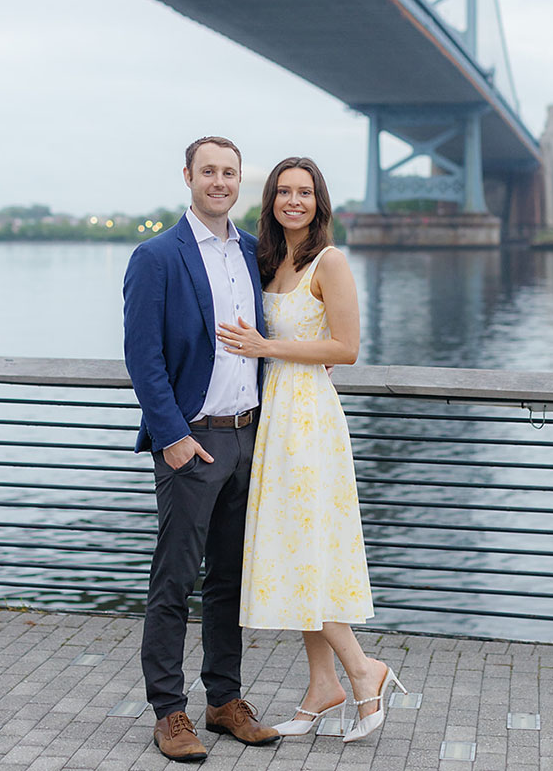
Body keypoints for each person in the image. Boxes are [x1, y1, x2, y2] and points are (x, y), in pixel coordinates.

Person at [216, 156, 404, 744]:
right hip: (274, 415)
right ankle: (322, 686)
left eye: (304, 192)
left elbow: (345, 348)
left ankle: (362, 669)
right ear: (270, 200)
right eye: (282, 191)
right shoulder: (267, 261)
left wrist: (263, 344)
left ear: (320, 201)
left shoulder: (331, 261)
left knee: (306, 547)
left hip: (309, 420)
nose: (293, 200)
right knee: (297, 544)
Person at [123, 136, 279, 763]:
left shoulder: (251, 252)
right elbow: (143, 357)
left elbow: (272, 335)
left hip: (250, 435)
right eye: (209, 171)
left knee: (230, 581)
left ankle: (224, 700)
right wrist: (174, 438)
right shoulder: (158, 256)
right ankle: (169, 711)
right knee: (176, 579)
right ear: (188, 176)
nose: (220, 181)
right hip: (194, 440)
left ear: (241, 181)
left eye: (230, 173)